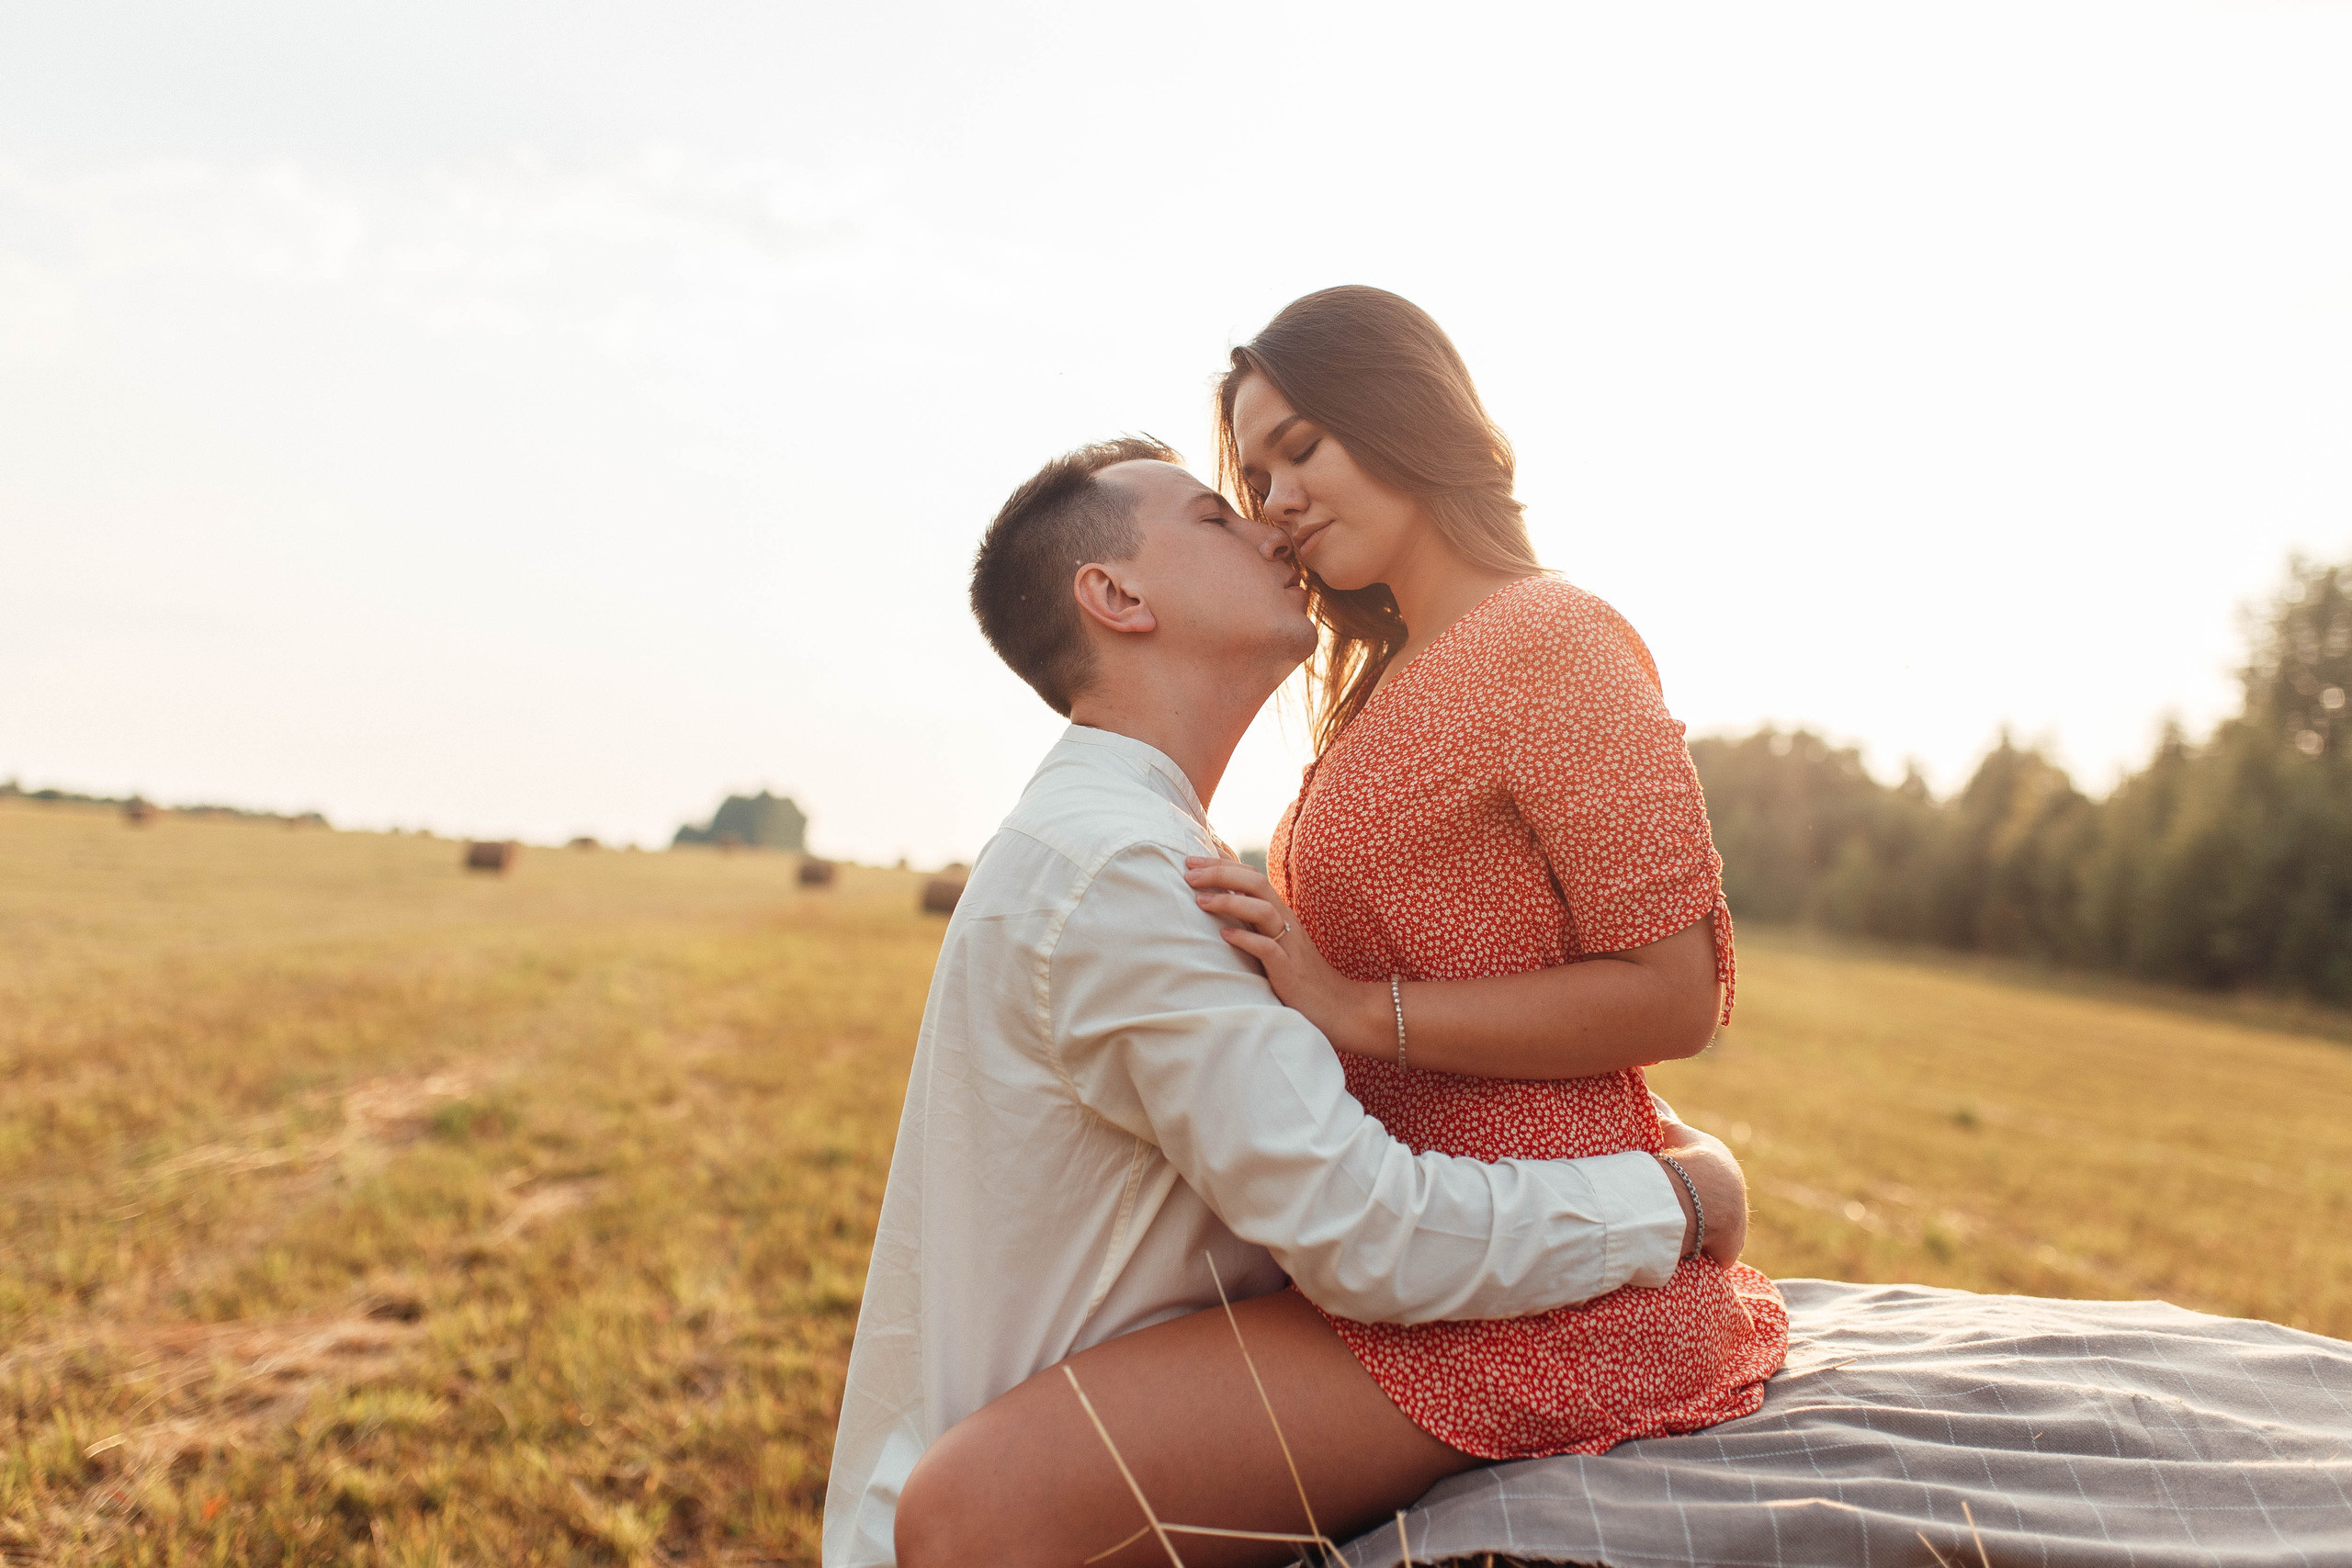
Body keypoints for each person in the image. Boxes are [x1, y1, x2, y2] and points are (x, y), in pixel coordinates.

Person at [821, 436, 1753, 1568]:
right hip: (998, 1511)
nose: (1270, 526)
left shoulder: (1135, 847)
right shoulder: (1119, 873)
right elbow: (1366, 1234)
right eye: (1218, 517)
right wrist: (1676, 1202)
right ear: (1115, 597)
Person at [1185, 285, 1788, 1463]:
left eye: (1300, 449)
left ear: (1403, 412)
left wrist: (1359, 1011)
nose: (1277, 501)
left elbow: (1677, 993)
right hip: (1396, 1232)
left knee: (995, 1502)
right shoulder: (1382, 683)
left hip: (1544, 1277)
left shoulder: (1551, 638)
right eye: (1257, 477)